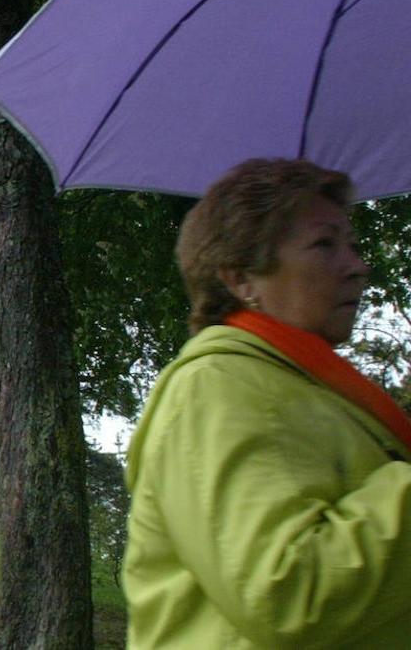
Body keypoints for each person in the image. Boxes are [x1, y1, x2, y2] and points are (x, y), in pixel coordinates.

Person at [122, 158, 411, 647]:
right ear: (240, 279)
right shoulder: (216, 387)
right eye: (325, 244)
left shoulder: (309, 390)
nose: (359, 266)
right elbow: (288, 594)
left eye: (355, 245)